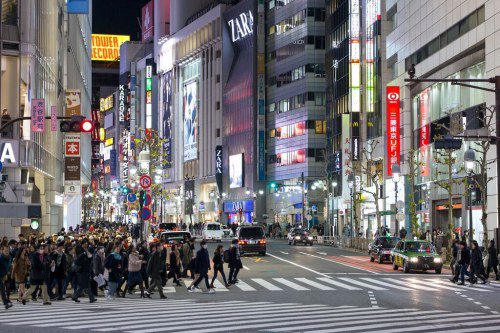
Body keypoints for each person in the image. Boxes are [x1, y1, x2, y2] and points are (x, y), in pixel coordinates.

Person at [0, 245, 13, 309]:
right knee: (2, 289)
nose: (7, 252)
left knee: (4, 289)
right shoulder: (0, 258)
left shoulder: (9, 257)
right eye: (5, 250)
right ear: (2, 251)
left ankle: (6, 302)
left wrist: (8, 272)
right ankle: (5, 303)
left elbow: (9, 265)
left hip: (3, 275)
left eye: (8, 250)